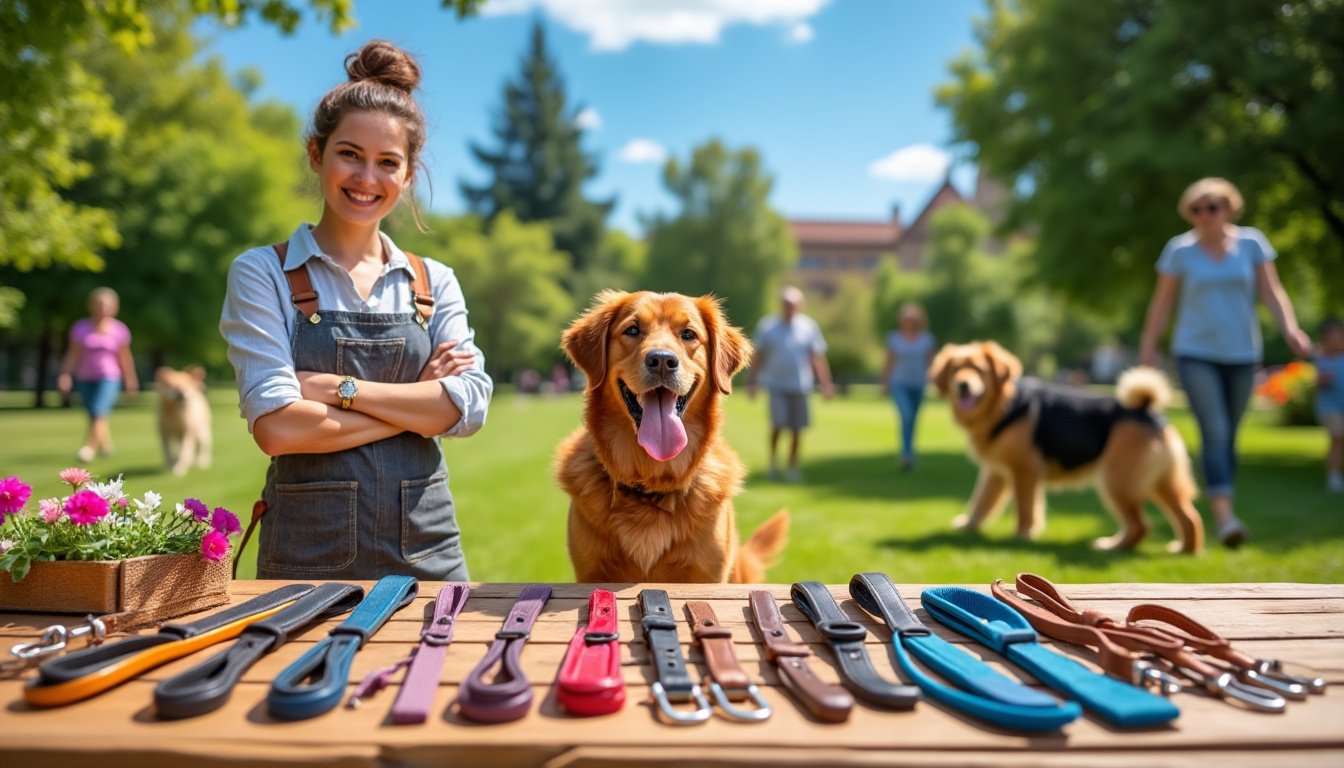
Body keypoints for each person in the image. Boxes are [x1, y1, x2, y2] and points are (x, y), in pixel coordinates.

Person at [219, 40, 492, 581]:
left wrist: (331, 388)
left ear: (409, 174)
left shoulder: (434, 280)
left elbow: (466, 408)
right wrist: (414, 408)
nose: (367, 178)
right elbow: (276, 429)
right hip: (304, 559)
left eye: (388, 162)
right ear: (316, 154)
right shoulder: (261, 273)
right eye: (350, 153)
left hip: (431, 555)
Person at [1138, 177, 1312, 548]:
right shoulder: (1179, 250)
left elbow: (1272, 292)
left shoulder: (1252, 243)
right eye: (1197, 209)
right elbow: (1162, 303)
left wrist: (1291, 330)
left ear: (1229, 208)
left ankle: (1217, 501)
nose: (1204, 215)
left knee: (1229, 435)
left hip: (1241, 353)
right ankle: (1224, 517)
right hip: (1194, 351)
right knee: (1215, 431)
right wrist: (1149, 347)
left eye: (1212, 207)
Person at [747, 285, 834, 483]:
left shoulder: (808, 327)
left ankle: (792, 467)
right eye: (786, 304)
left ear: (800, 305)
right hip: (776, 385)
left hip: (800, 385)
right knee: (777, 425)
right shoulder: (768, 327)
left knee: (796, 428)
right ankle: (773, 464)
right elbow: (758, 356)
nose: (790, 307)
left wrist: (826, 383)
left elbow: (817, 358)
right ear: (781, 305)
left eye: (793, 304)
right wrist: (752, 381)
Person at [56, 287, 139, 463]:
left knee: (99, 410)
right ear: (91, 306)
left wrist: (130, 379)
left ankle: (88, 448)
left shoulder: (119, 330)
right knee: (94, 413)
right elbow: (72, 355)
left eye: (106, 305)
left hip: (109, 376)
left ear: (114, 307)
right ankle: (104, 443)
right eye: (99, 305)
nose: (102, 309)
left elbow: (125, 358)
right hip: (85, 377)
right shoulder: (81, 328)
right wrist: (65, 375)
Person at [880, 302, 936, 471]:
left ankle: (909, 451)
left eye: (911, 319)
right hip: (900, 383)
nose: (908, 322)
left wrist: (936, 382)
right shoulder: (894, 338)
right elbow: (889, 362)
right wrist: (884, 382)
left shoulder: (927, 339)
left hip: (918, 384)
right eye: (905, 318)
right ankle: (906, 453)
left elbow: (932, 362)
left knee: (913, 420)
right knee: (906, 415)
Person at [1315, 317, 1344, 493]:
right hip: (1330, 407)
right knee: (1338, 438)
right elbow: (1317, 384)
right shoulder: (1322, 359)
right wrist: (1323, 380)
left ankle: (1336, 474)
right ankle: (1333, 476)